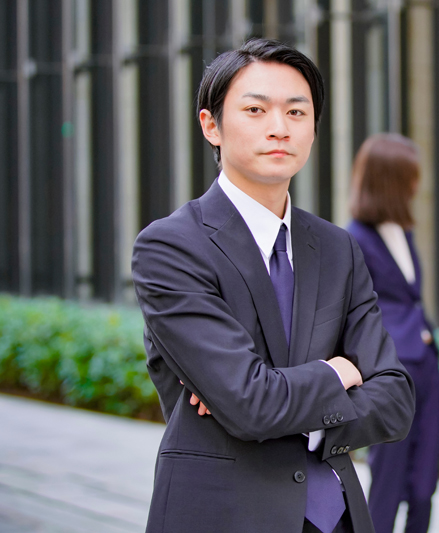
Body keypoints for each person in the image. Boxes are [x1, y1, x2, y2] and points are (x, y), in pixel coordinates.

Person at [131, 39, 415, 533]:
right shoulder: (171, 247)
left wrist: (272, 400)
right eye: (256, 109)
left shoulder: (337, 248)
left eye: (296, 112)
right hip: (221, 515)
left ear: (313, 129)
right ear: (211, 125)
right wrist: (335, 373)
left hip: (336, 517)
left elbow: (394, 399)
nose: (279, 128)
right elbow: (249, 402)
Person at [346, 134, 439, 533]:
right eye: (410, 177)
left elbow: (409, 298)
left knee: (425, 483)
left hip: (426, 367)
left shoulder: (402, 231)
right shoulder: (355, 238)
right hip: (391, 374)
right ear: (390, 181)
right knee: (388, 482)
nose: (416, 185)